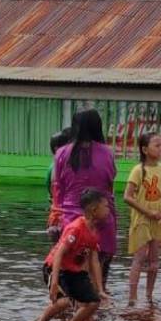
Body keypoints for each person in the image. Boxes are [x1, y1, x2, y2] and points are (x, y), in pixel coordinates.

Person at [27, 188, 110, 321]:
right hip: (55, 267)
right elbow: (59, 253)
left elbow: (94, 260)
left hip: (74, 270)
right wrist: (54, 282)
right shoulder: (75, 228)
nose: (108, 210)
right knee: (64, 301)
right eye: (105, 206)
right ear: (93, 209)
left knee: (93, 302)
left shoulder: (94, 231)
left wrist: (100, 288)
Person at [54, 109, 117, 291]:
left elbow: (59, 188)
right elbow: (109, 183)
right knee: (100, 280)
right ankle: (98, 314)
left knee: (73, 277)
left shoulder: (61, 153)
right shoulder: (107, 153)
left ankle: (71, 313)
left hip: (71, 221)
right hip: (102, 219)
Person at [124, 132, 161, 304]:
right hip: (142, 220)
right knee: (139, 258)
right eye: (157, 145)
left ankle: (149, 296)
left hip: (159, 220)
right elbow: (127, 196)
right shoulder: (138, 170)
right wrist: (147, 212)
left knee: (154, 261)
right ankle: (132, 297)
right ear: (145, 149)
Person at [45, 127, 72, 241]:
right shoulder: (58, 167)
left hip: (56, 213)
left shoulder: (53, 166)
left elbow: (49, 189)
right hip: (62, 214)